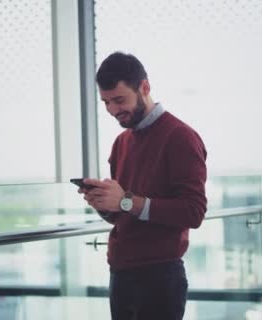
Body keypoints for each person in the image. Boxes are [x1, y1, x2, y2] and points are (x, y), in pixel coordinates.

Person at [78, 52, 207, 320]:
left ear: (144, 88)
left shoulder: (180, 137)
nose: (113, 110)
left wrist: (125, 200)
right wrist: (103, 202)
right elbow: (123, 213)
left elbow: (194, 212)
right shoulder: (121, 143)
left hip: (159, 278)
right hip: (121, 273)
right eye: (106, 102)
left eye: (120, 100)